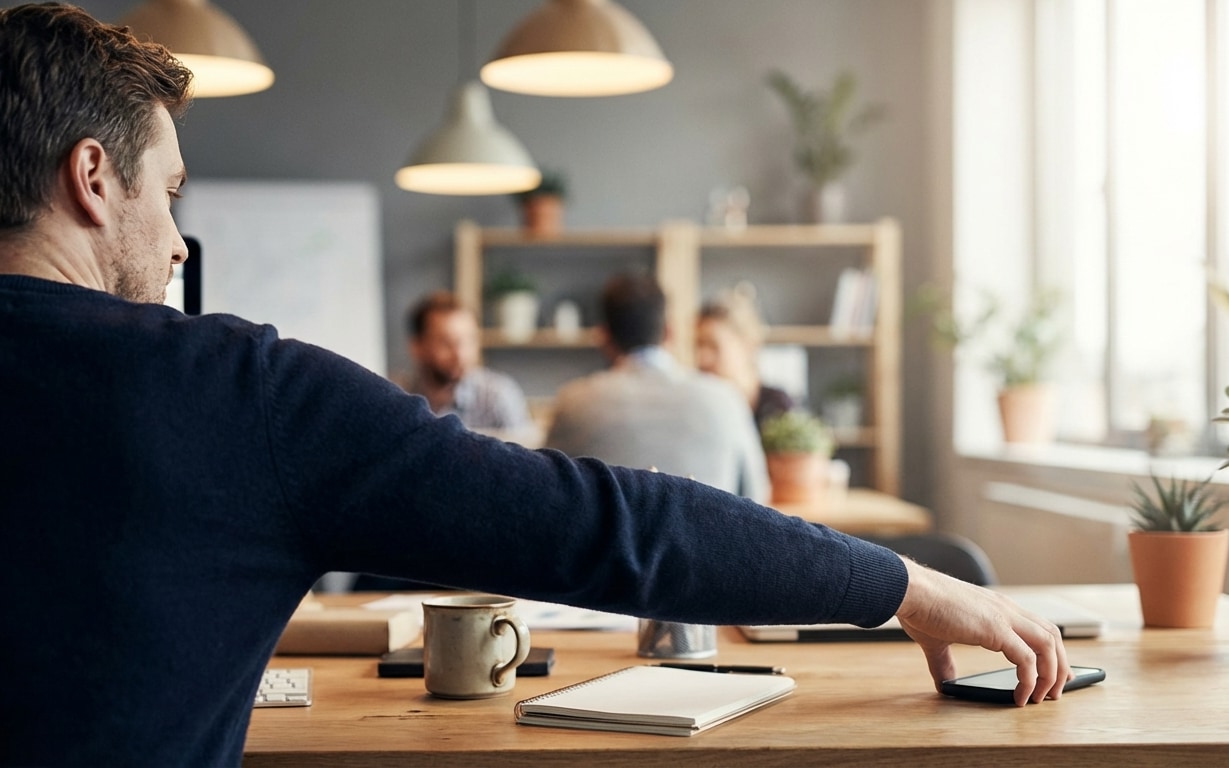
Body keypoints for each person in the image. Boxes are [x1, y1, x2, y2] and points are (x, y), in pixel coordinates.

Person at [0, 5, 1070, 765]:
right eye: (170, 192)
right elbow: (611, 527)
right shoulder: (237, 395)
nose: (180, 244)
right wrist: (912, 590)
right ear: (92, 179)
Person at [546, 273, 770, 502]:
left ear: (604, 337)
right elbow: (757, 498)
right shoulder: (726, 399)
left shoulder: (573, 403)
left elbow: (551, 496)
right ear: (669, 332)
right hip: (704, 538)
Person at [393, 289, 532, 433]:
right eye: (446, 343)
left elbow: (525, 453)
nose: (460, 354)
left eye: (468, 340)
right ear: (417, 347)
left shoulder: (498, 397)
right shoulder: (398, 399)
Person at [695, 282, 794, 430]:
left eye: (713, 346)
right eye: (697, 345)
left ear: (748, 345)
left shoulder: (778, 409)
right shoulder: (697, 407)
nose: (701, 358)